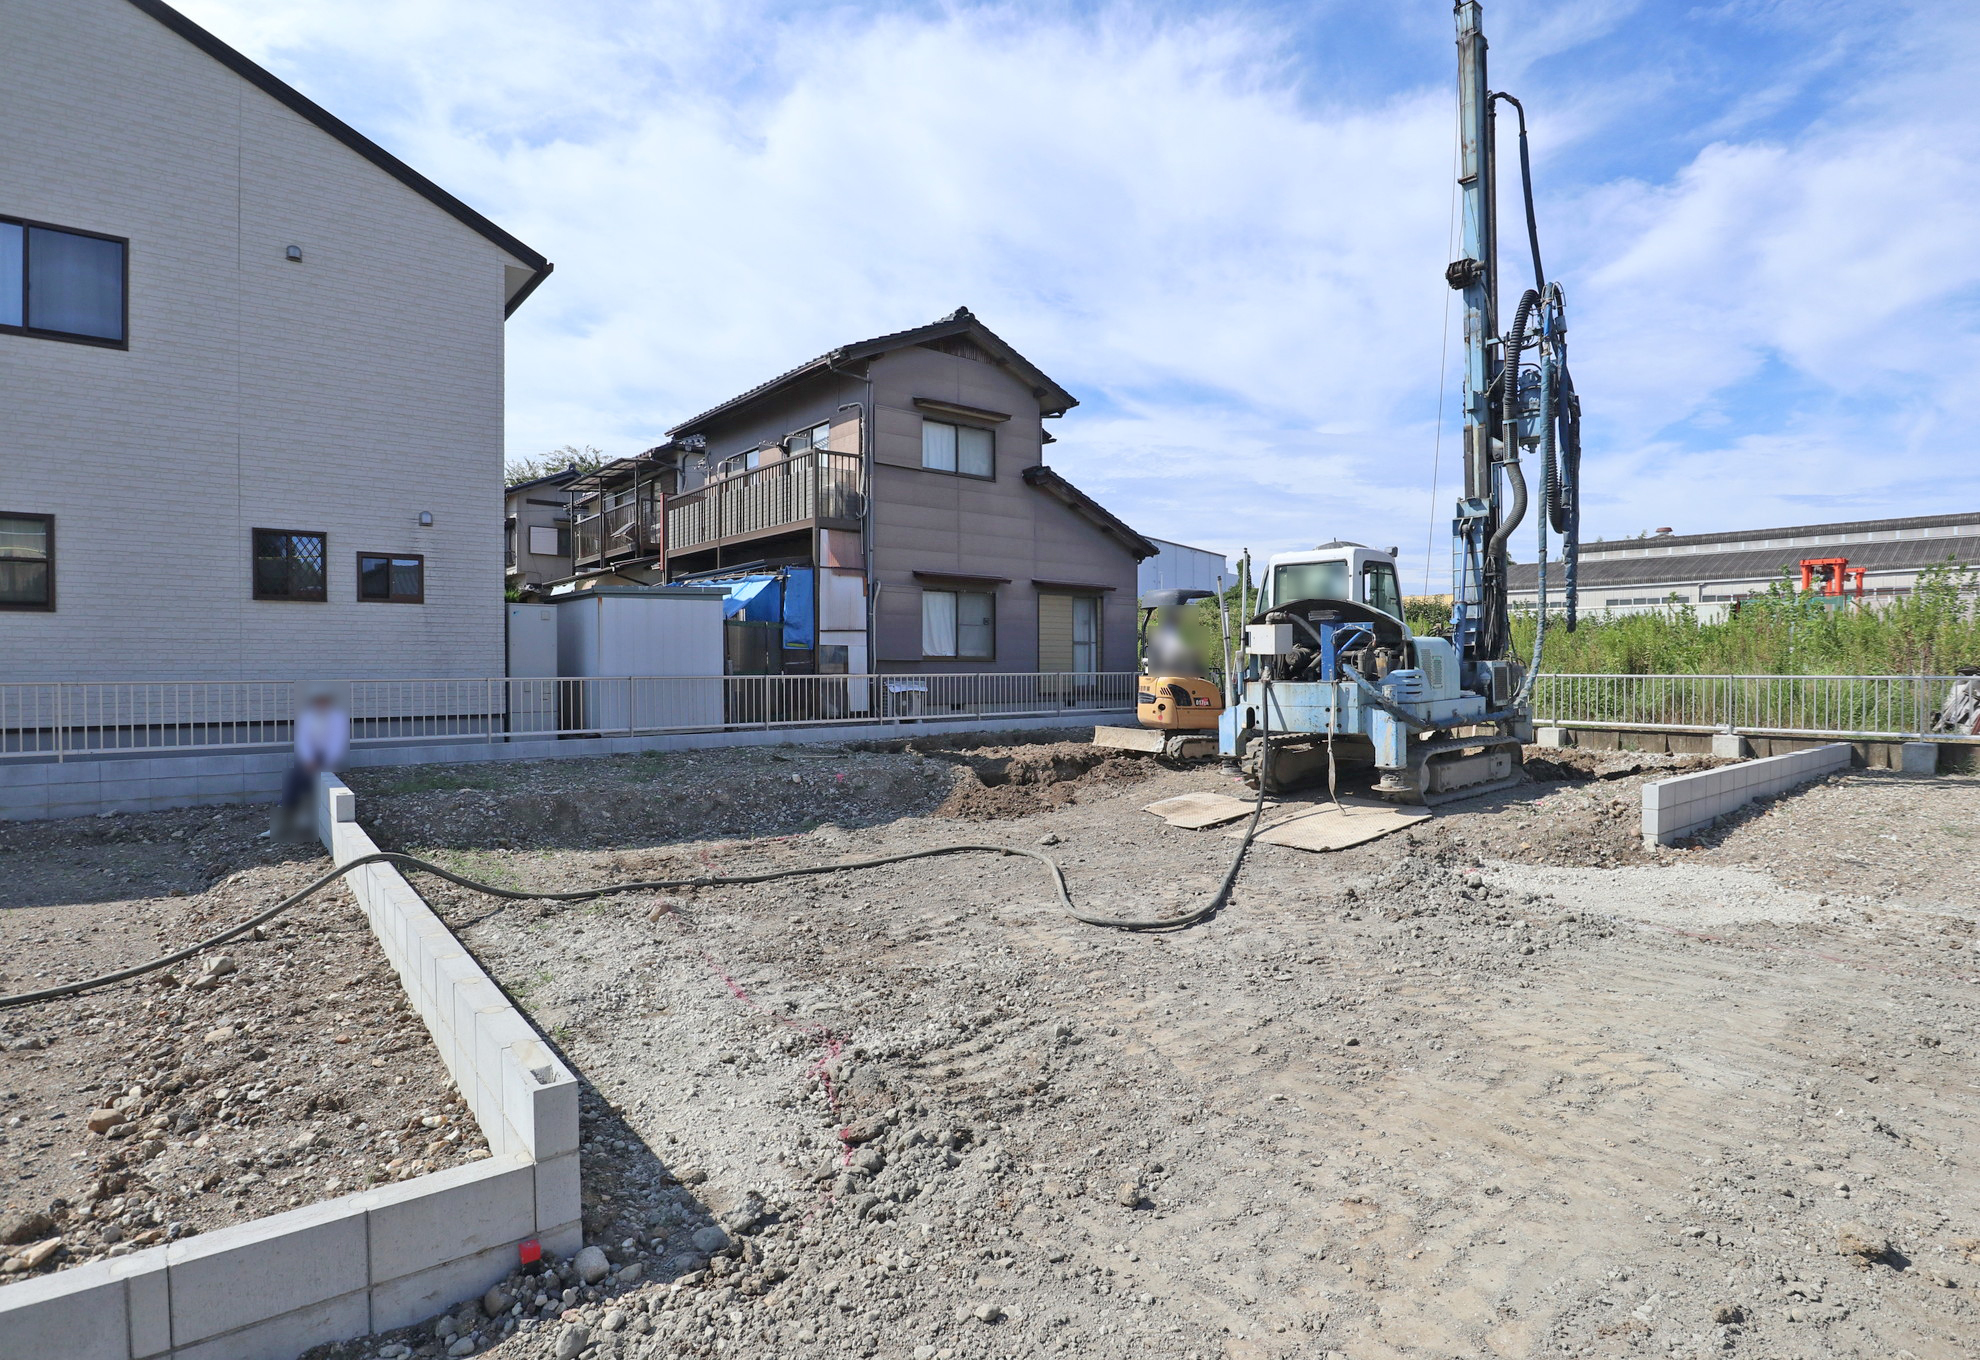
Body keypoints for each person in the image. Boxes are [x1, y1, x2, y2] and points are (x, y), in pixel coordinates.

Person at [274, 686, 349, 841]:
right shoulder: (308, 717)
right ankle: (287, 816)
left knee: (306, 778)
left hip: (326, 756)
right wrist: (308, 759)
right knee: (295, 776)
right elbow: (303, 741)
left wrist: (327, 761)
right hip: (308, 758)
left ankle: (296, 819)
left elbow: (336, 744)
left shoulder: (336, 718)